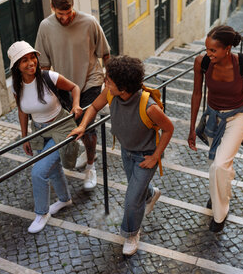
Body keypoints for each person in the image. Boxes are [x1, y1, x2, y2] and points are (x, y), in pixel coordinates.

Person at [69, 56, 174, 256]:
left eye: (109, 80)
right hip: (127, 152)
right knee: (139, 191)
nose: (105, 83)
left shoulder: (149, 106)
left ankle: (131, 233)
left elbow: (169, 129)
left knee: (132, 198)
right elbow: (93, 107)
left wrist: (155, 157)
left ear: (123, 88)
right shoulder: (110, 93)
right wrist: (82, 126)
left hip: (145, 157)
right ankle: (151, 194)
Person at [187, 26, 243, 233]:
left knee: (218, 166)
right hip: (213, 117)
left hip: (238, 117)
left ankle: (220, 214)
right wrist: (191, 128)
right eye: (206, 49)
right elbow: (197, 93)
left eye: (213, 50)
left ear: (227, 49)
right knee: (218, 165)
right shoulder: (202, 63)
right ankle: (219, 192)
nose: (208, 54)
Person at [35, 0, 110, 191]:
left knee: (87, 125)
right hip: (64, 86)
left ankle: (91, 168)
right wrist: (45, 93)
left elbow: (105, 53)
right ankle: (85, 151)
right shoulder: (45, 27)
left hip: (90, 81)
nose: (66, 18)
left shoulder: (89, 22)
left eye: (69, 13)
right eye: (61, 14)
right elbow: (43, 66)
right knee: (70, 126)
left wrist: (108, 79)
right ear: (52, 8)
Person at [8, 41, 83, 234]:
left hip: (61, 126)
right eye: (24, 60)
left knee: (38, 172)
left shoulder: (49, 76)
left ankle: (42, 213)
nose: (31, 62)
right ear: (17, 66)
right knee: (52, 169)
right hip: (39, 130)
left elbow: (74, 87)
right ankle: (65, 199)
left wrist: (75, 105)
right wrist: (24, 137)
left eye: (32, 57)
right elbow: (23, 112)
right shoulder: (17, 87)